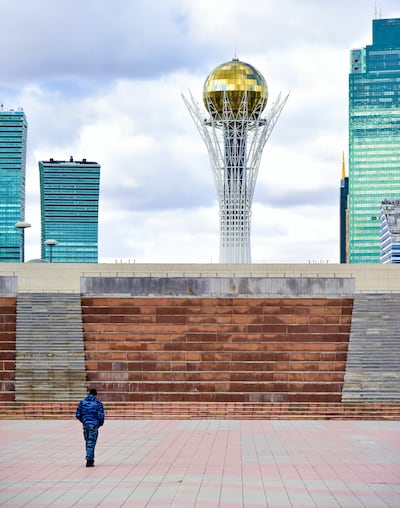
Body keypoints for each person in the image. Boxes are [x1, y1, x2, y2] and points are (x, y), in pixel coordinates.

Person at [76, 388, 105, 467]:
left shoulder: (82, 403)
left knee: (88, 441)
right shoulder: (98, 404)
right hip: (94, 425)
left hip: (86, 425)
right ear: (95, 394)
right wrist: (99, 424)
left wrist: (84, 421)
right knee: (91, 442)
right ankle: (89, 460)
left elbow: (78, 415)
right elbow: (101, 416)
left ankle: (89, 458)